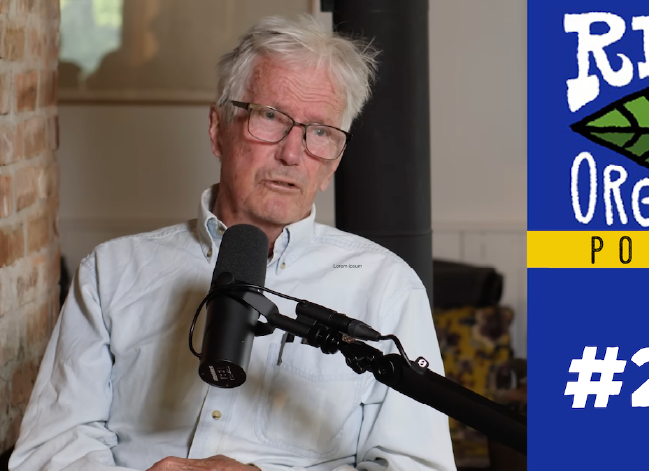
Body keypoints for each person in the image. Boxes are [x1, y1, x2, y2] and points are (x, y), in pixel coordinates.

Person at [10, 16, 455, 471]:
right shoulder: (110, 272)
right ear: (216, 129)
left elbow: (417, 466)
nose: (292, 153)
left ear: (335, 160)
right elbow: (50, 451)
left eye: (319, 131)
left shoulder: (386, 287)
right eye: (270, 117)